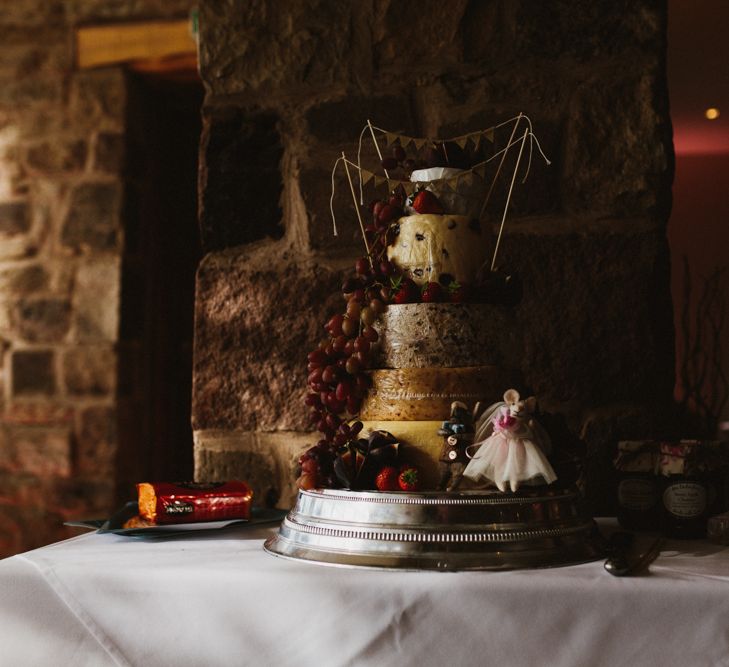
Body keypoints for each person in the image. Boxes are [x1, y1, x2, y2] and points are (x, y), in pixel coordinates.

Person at [462, 389, 557, 493]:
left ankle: (515, 480)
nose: (518, 410)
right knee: (499, 461)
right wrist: (499, 429)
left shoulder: (524, 424)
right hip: (502, 442)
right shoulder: (505, 418)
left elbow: (528, 433)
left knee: (519, 463)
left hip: (520, 443)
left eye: (523, 409)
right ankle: (499, 479)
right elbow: (499, 428)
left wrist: (530, 428)